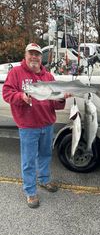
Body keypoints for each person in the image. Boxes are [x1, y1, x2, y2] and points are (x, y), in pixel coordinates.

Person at [2, 43, 71, 208]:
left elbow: (55, 103)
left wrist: (62, 98)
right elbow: (6, 93)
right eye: (31, 54)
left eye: (37, 54)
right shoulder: (16, 73)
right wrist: (21, 97)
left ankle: (44, 180)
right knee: (29, 160)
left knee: (46, 155)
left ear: (41, 58)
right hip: (28, 126)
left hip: (47, 124)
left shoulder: (48, 77)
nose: (34, 57)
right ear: (25, 55)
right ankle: (30, 191)